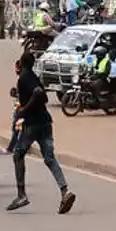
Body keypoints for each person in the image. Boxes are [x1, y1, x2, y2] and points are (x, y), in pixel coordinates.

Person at [8, 51, 76, 214]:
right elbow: (42, 97)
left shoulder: (24, 78)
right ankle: (64, 190)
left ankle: (21, 194)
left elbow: (38, 94)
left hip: (33, 124)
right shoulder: (33, 76)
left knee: (18, 154)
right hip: (45, 122)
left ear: (21, 64)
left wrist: (24, 110)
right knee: (49, 158)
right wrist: (19, 96)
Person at [2, 59, 22, 154]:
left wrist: (16, 93)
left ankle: (10, 148)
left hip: (21, 107)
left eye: (16, 68)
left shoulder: (21, 79)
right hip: (20, 106)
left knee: (16, 128)